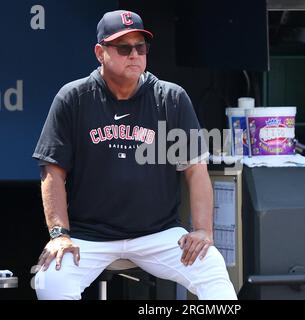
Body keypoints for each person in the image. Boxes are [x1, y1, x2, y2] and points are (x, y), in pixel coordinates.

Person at [32, 10, 237, 300]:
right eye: (124, 48)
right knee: (49, 282)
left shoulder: (171, 98)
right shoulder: (74, 98)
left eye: (140, 47)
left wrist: (202, 230)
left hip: (160, 234)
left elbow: (196, 169)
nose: (134, 55)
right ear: (100, 52)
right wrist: (59, 234)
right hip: (90, 236)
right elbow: (52, 171)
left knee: (213, 273)